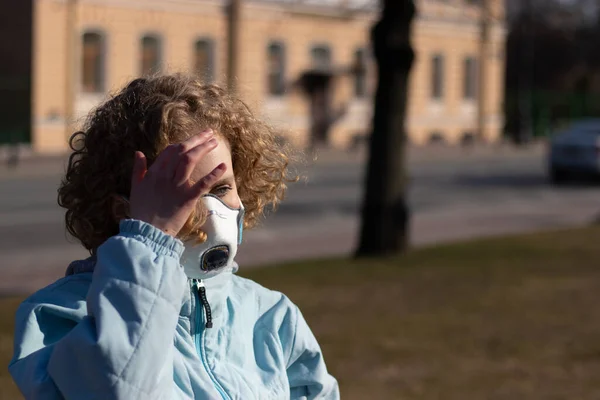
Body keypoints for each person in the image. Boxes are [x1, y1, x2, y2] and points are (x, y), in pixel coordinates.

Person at [9, 74, 340, 399]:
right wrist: (149, 241)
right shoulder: (60, 313)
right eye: (182, 195)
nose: (211, 211)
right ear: (124, 211)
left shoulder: (270, 315)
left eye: (222, 188)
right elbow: (116, 388)